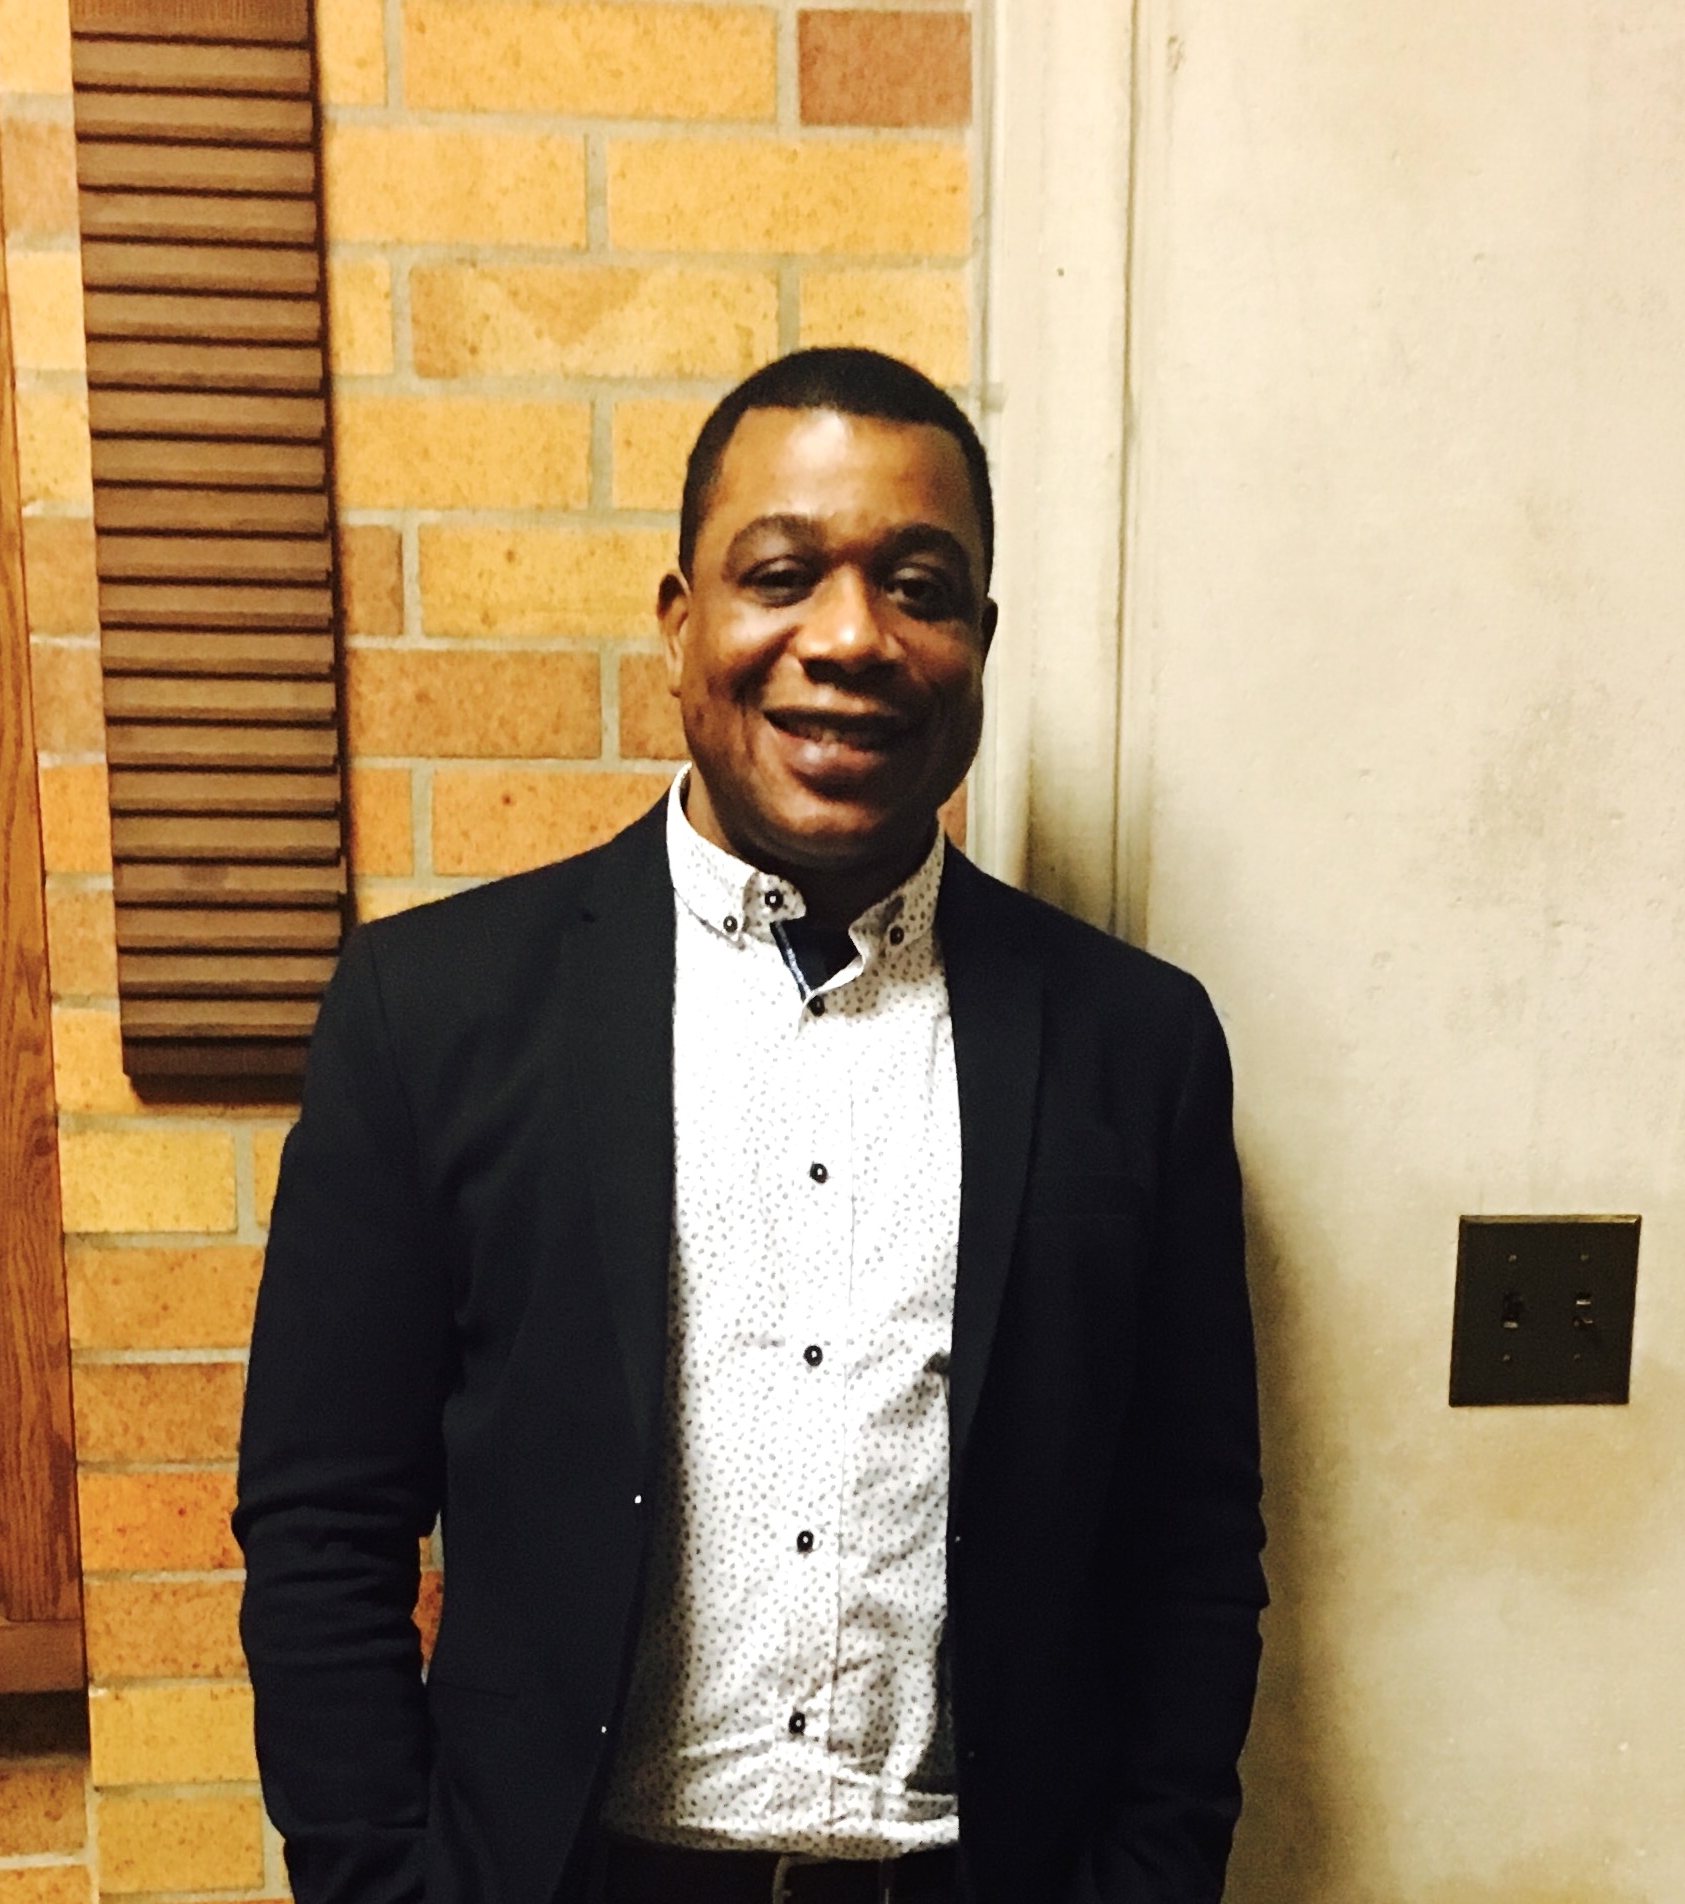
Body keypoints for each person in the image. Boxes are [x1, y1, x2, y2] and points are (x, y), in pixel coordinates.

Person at [235, 347, 1265, 1904]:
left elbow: (1190, 1551)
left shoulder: (1137, 1045)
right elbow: (323, 1526)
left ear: (978, 643)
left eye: (918, 588)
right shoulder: (429, 1011)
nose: (849, 639)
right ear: (679, 623)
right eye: (782, 575)